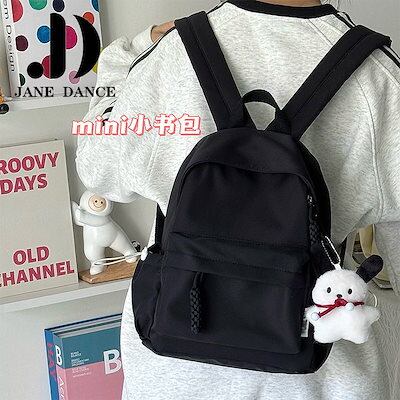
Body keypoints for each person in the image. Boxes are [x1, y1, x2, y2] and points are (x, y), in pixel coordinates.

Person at [76, 1, 400, 399]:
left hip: (176, 369)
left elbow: (97, 169)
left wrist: (120, 60)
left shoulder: (168, 57)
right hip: (322, 375)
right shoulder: (381, 78)